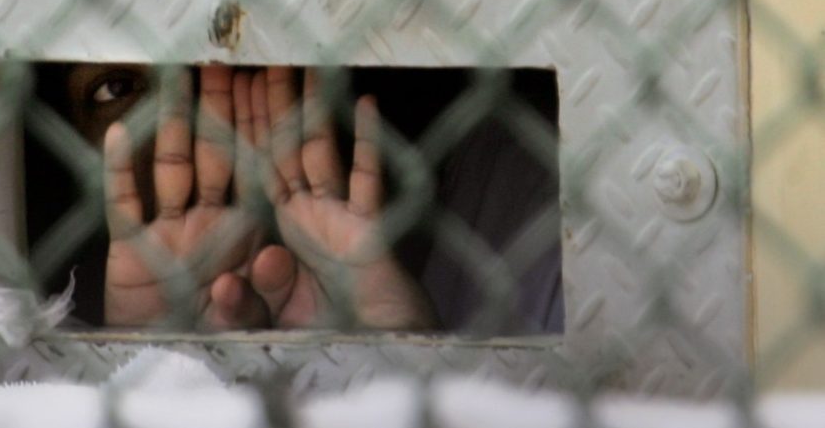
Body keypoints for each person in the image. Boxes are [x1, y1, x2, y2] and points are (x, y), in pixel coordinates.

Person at [34, 63, 561, 333]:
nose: (190, 122)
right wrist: (145, 372)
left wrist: (400, 361)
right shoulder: (53, 305)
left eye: (226, 61)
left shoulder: (522, 205)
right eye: (116, 89)